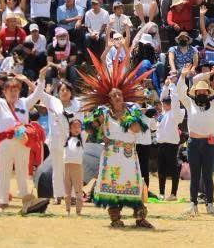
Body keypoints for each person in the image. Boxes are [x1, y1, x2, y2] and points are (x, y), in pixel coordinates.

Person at [79, 50, 153, 228]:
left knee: (133, 185)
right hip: (111, 155)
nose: (117, 97)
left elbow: (136, 128)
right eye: (113, 96)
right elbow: (90, 128)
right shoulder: (103, 113)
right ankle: (115, 219)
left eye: (119, 94)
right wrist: (98, 122)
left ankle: (140, 218)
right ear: (109, 99)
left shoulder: (132, 110)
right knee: (112, 187)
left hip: (128, 155)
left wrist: (126, 118)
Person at [0, 64, 44, 212]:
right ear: (4, 91)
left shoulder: (24, 103)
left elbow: (37, 95)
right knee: (4, 171)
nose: (14, 93)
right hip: (5, 143)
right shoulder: (0, 104)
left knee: (22, 171)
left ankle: (25, 200)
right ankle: (2, 202)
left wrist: (41, 78)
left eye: (16, 90)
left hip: (22, 141)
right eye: (11, 90)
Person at [176, 65, 214, 216]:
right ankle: (193, 203)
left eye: (203, 91)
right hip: (193, 142)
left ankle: (210, 203)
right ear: (195, 92)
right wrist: (182, 76)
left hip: (208, 143)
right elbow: (180, 92)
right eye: (198, 91)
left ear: (207, 92)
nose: (201, 92)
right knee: (195, 175)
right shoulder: (189, 103)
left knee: (208, 175)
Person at [156, 77, 185, 201]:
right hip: (161, 145)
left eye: (167, 103)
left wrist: (172, 85)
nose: (164, 104)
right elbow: (163, 97)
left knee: (173, 170)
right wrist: (166, 86)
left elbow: (175, 100)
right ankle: (161, 193)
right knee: (161, 170)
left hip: (172, 146)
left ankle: (173, 194)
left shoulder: (174, 113)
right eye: (164, 103)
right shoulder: (162, 114)